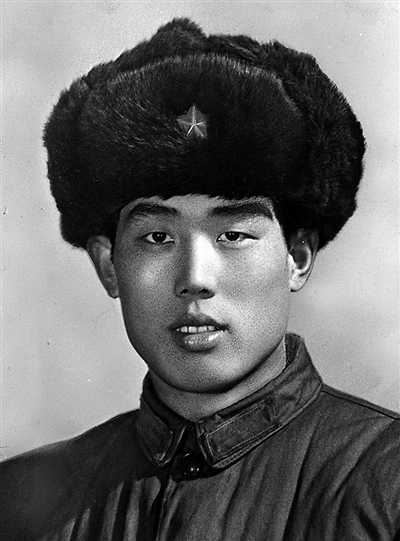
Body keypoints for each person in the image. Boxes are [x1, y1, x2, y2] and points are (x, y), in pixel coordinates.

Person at [1, 18, 399, 541]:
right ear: (108, 265)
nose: (194, 279)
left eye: (233, 235)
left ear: (297, 257)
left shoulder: (386, 484)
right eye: (157, 237)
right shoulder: (20, 501)